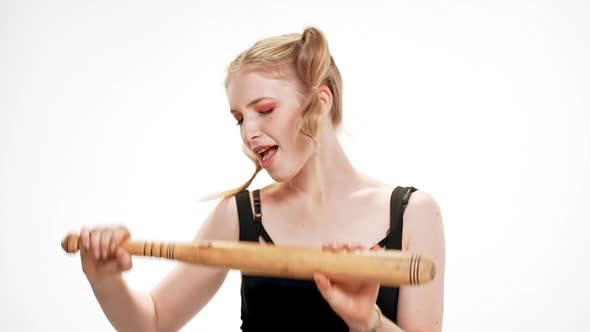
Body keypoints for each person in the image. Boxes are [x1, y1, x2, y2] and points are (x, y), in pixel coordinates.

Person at [78, 26, 445, 332]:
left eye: (265, 110)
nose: (248, 132)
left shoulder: (413, 213)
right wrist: (105, 279)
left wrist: (368, 321)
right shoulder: (239, 215)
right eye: (239, 118)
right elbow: (153, 323)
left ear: (321, 101)